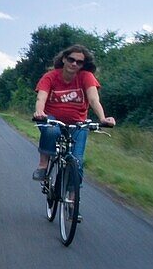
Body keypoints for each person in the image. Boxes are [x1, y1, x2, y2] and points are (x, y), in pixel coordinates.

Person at [32, 45, 116, 197]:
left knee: (76, 161)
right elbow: (41, 97)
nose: (74, 64)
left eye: (79, 62)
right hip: (52, 118)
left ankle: (72, 199)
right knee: (51, 130)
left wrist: (103, 118)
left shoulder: (86, 77)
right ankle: (43, 165)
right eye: (71, 59)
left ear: (83, 65)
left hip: (77, 123)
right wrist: (40, 111)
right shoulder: (50, 76)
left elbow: (93, 99)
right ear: (64, 59)